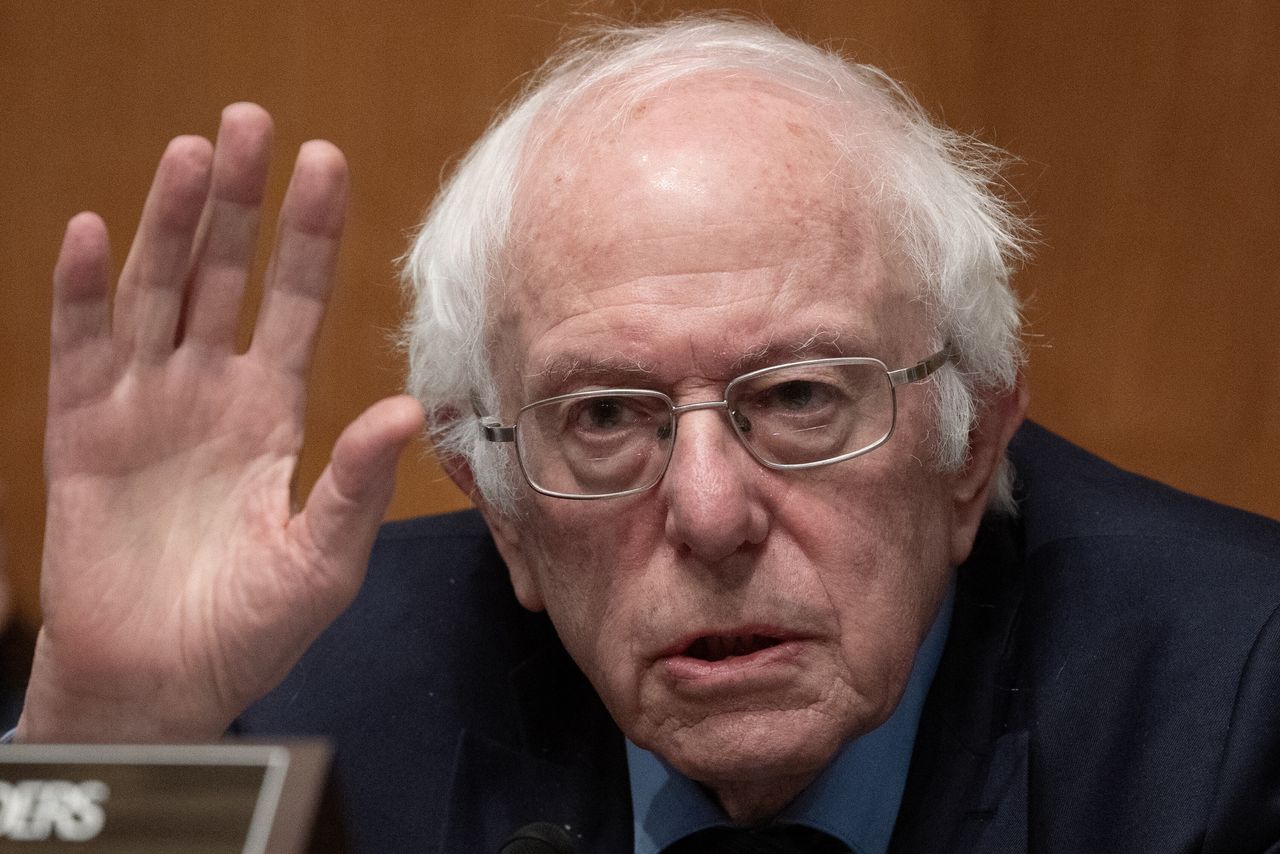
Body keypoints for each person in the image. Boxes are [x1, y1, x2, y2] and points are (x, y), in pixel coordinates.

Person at [13, 16, 1280, 854]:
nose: (711, 513)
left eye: (799, 396)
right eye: (605, 416)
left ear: (967, 444)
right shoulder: (305, 700)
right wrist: (108, 739)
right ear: (498, 506)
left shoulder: (1241, 700)